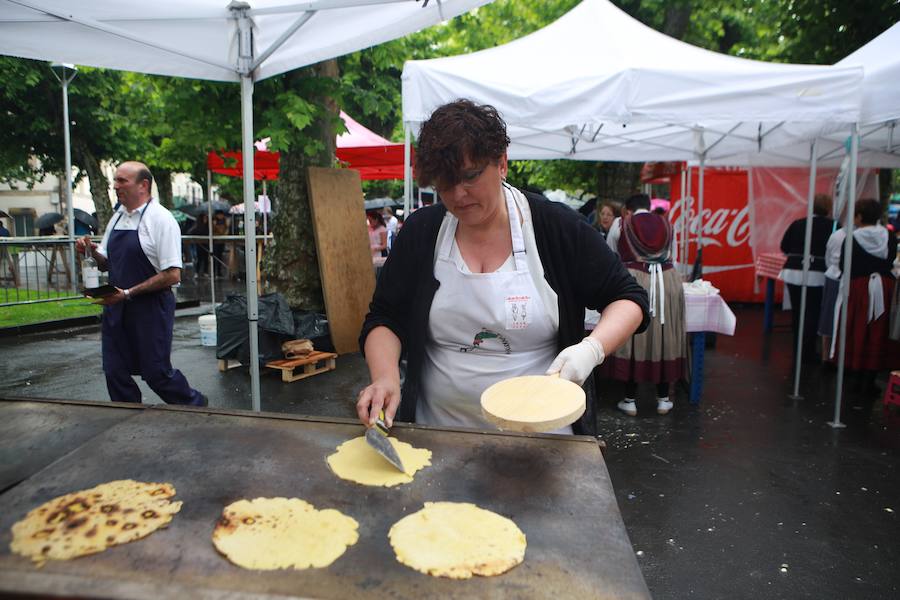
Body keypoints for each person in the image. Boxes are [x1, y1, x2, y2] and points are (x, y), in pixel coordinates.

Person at [356, 100, 648, 435]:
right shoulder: (422, 232)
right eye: (445, 182)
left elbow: (628, 298)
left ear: (502, 163)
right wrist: (385, 377)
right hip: (439, 434)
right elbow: (385, 316)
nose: (458, 194)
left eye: (470, 176)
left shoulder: (555, 227)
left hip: (540, 437)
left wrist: (591, 349)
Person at [75, 161, 207, 407]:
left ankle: (196, 404)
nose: (115, 186)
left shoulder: (161, 219)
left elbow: (172, 275)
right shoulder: (117, 218)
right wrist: (91, 253)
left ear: (143, 185)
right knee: (115, 370)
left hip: (150, 307)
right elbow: (106, 264)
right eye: (114, 181)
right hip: (116, 305)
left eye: (122, 181)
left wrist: (127, 293)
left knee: (155, 372)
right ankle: (127, 418)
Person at [603, 193, 687, 417]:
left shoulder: (621, 224)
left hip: (635, 279)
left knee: (634, 337)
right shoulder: (667, 224)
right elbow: (673, 257)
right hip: (667, 281)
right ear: (648, 207)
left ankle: (629, 399)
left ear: (627, 209)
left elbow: (611, 256)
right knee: (664, 336)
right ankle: (663, 399)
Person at [834, 198, 898, 395]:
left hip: (859, 286)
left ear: (860, 216)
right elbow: (890, 261)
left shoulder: (851, 238)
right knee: (878, 329)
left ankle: (855, 374)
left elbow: (844, 266)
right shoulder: (888, 236)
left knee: (856, 328)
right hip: (884, 286)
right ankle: (870, 377)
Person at [779, 194, 834, 364]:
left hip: (793, 271)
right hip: (817, 273)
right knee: (813, 312)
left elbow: (784, 246)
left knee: (798, 312)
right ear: (828, 208)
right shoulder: (833, 226)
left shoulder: (798, 223)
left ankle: (798, 350)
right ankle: (808, 353)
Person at [189, 213, 210, 277]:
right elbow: (191, 232)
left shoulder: (208, 226)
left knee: (206, 258)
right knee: (199, 259)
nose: (205, 219)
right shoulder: (197, 226)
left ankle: (205, 271)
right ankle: (197, 272)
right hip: (199, 245)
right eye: (204, 218)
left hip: (206, 244)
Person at [211, 211, 228, 277]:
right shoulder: (214, 222)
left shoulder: (224, 221)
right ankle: (214, 272)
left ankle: (218, 272)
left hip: (221, 241)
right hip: (215, 241)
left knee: (220, 257)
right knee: (215, 257)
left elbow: (225, 230)